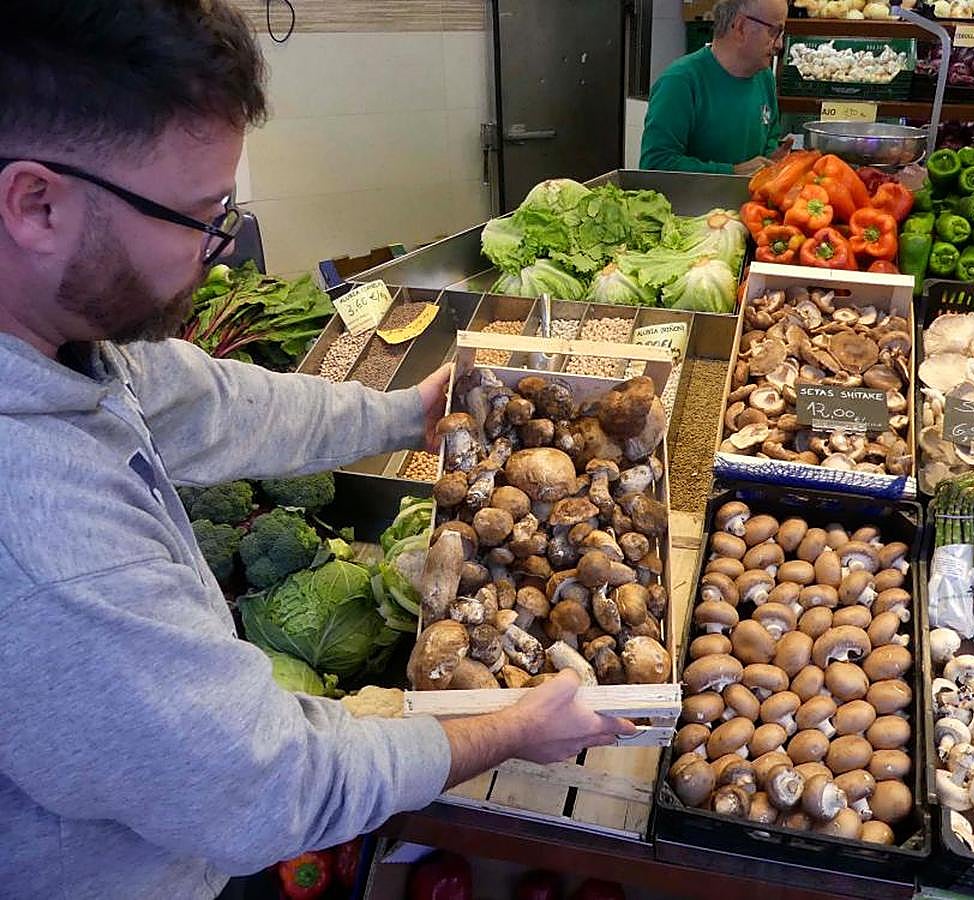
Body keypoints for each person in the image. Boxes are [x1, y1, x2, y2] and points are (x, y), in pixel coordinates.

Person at [0, 4, 634, 899]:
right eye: (197, 218)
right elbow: (268, 787)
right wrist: (509, 726)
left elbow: (205, 400)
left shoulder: (54, 338)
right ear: (37, 203)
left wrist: (400, 415)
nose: (211, 254)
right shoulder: (42, 538)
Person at [639, 0, 787, 176]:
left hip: (752, 203)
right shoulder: (680, 82)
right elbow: (655, 164)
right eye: (774, 32)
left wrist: (774, 159)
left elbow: (770, 136)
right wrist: (732, 172)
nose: (780, 44)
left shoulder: (764, 77)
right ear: (740, 27)